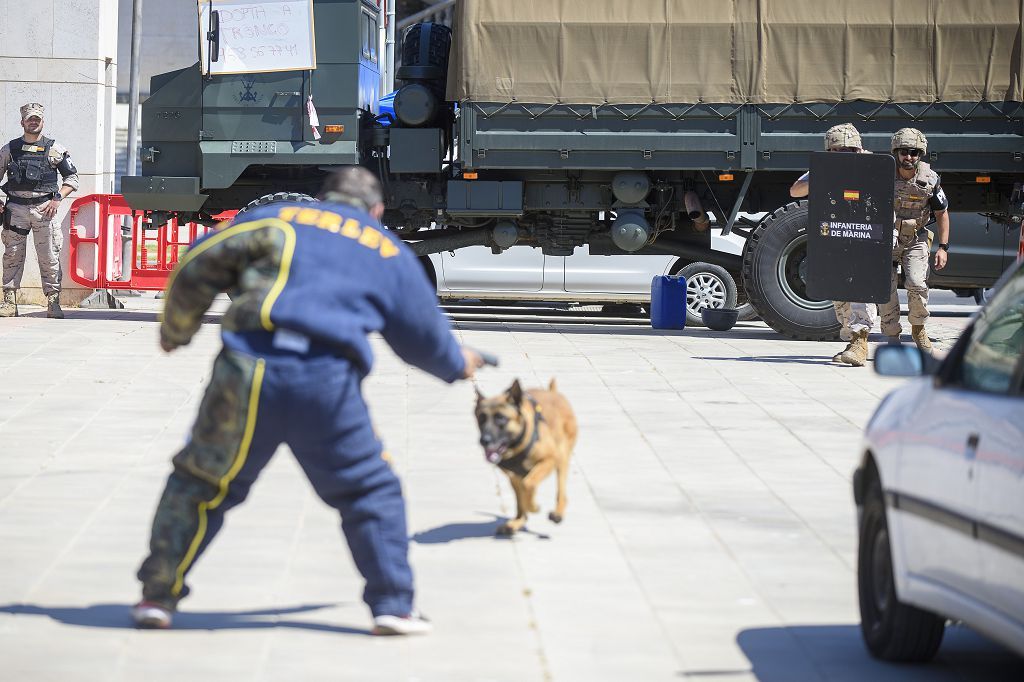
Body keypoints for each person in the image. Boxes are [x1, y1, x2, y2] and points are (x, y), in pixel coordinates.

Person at [132, 167, 485, 635]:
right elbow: (420, 337)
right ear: (376, 209)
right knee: (368, 491)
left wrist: (176, 331)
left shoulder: (276, 220)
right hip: (326, 383)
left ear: (322, 198)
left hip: (245, 373)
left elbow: (199, 261)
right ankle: (393, 606)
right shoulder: (383, 247)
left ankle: (157, 598)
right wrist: (458, 364)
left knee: (199, 483)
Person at [790, 123, 878, 366]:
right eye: (838, 151)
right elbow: (795, 191)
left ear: (859, 150)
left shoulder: (875, 166)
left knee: (860, 285)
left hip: (867, 234)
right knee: (838, 289)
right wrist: (823, 173)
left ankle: (861, 340)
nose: (844, 156)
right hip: (838, 235)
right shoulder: (824, 168)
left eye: (849, 151)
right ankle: (852, 338)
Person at [0, 103, 79, 319]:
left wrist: (57, 198)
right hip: (15, 210)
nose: (33, 122)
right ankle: (9, 302)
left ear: (42, 122)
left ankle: (53, 303)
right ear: (22, 122)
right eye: (29, 119)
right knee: (12, 256)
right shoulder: (9, 149)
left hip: (45, 211)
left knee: (49, 256)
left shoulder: (55, 149)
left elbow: (72, 178)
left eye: (37, 119)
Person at [878, 128, 950, 351]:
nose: (908, 157)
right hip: (887, 240)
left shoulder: (930, 179)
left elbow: (942, 213)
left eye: (914, 152)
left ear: (921, 154)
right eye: (904, 152)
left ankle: (919, 330)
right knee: (884, 289)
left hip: (915, 239)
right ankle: (892, 338)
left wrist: (943, 247)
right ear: (896, 152)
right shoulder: (882, 175)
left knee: (917, 284)